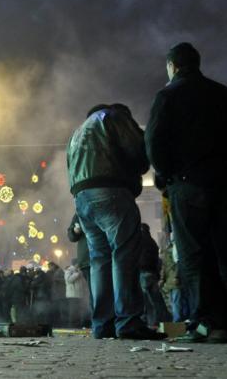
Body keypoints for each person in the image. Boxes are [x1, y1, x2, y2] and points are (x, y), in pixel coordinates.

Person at [145, 42, 227, 343]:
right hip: (224, 185)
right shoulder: (221, 93)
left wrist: (167, 174)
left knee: (195, 257)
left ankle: (212, 326)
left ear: (172, 66)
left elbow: (154, 141)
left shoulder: (167, 95)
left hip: (187, 185)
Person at [68, 102, 163, 340]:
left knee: (99, 259)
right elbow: (139, 152)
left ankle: (102, 325)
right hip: (110, 190)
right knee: (124, 255)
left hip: (82, 197)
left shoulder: (78, 131)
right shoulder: (113, 117)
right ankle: (129, 322)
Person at [139, 224, 171, 326]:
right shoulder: (152, 242)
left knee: (147, 302)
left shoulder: (139, 241)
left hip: (143, 274)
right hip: (152, 274)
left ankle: (150, 322)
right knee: (156, 300)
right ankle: (164, 322)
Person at [160, 234, 189, 322]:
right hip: (174, 281)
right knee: (177, 302)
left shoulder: (168, 252)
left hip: (174, 281)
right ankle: (180, 321)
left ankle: (177, 322)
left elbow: (166, 267)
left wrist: (163, 279)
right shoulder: (177, 249)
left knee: (176, 302)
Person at [65, 261, 90, 328]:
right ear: (75, 264)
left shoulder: (79, 271)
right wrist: (76, 274)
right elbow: (68, 280)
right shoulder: (69, 270)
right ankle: (72, 325)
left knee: (78, 310)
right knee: (73, 311)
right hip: (72, 294)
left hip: (80, 294)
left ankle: (78, 324)